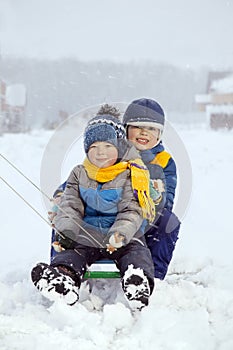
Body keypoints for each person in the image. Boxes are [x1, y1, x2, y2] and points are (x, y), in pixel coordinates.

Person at [31, 113, 156, 311]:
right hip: (87, 234)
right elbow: (70, 205)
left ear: (119, 147)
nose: (101, 153)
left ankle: (137, 282)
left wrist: (120, 234)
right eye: (94, 147)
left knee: (136, 252)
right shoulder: (79, 173)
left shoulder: (129, 174)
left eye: (108, 146)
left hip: (122, 236)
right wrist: (68, 232)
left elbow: (132, 209)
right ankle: (64, 280)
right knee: (72, 253)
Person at [122, 98, 181, 281]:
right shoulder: (113, 153)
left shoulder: (164, 161)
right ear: (126, 129)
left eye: (152, 129)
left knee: (169, 221)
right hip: (114, 219)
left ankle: (154, 275)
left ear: (160, 134)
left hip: (147, 221)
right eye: (138, 126)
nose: (144, 133)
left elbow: (167, 198)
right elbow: (85, 176)